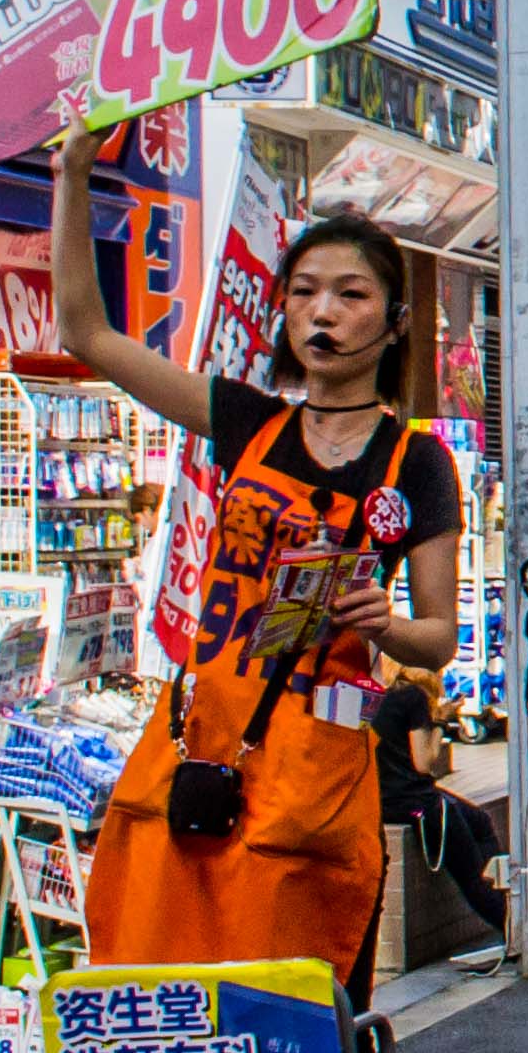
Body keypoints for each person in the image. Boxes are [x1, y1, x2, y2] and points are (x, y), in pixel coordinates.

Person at [52, 134, 462, 977]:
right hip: (203, 746)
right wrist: (73, 174)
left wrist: (386, 625)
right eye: (305, 291)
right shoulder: (245, 421)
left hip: (318, 773)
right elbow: (86, 332)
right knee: (167, 989)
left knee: (291, 1015)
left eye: (352, 295)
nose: (324, 311)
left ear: (395, 322)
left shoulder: (416, 461)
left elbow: (440, 638)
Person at [373, 667, 504, 970]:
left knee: (480, 820)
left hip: (388, 800)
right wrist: (440, 721)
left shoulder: (381, 697)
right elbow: (424, 761)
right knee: (471, 875)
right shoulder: (414, 697)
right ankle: (511, 919)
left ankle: (500, 887)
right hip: (417, 800)